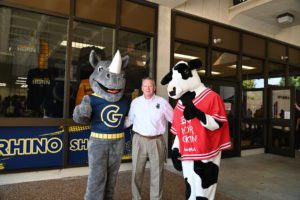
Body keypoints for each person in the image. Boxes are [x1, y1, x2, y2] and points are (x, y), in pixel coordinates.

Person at [125, 77, 173, 200]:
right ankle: (136, 198)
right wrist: (114, 125)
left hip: (156, 141)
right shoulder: (135, 102)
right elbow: (129, 120)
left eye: (150, 86)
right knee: (136, 171)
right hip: (139, 140)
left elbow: (174, 119)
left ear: (154, 88)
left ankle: (156, 198)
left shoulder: (162, 102)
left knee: (157, 172)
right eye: (145, 86)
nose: (147, 88)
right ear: (141, 88)